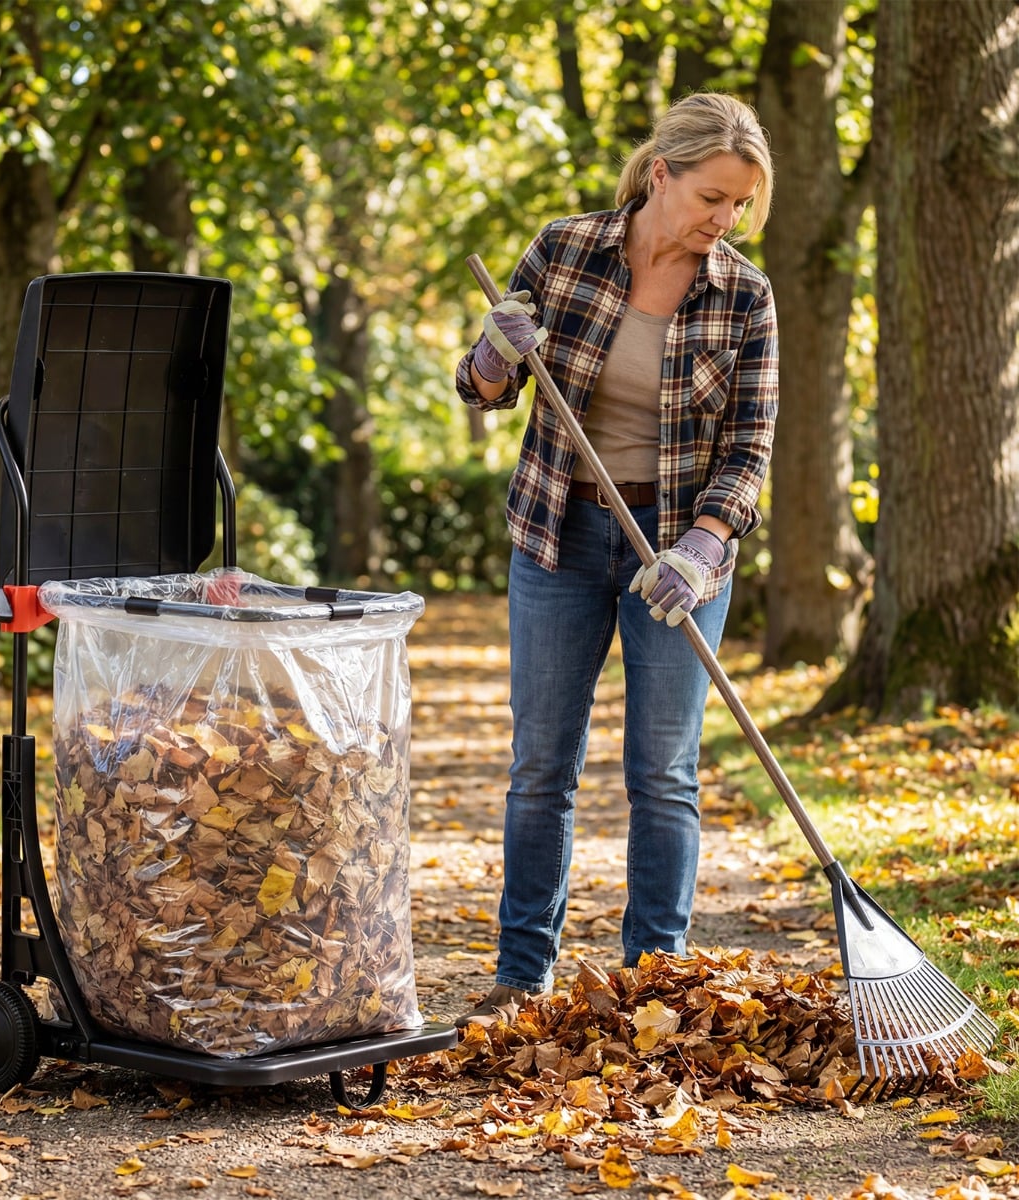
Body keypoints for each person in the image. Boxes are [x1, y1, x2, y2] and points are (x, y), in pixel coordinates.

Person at [454, 92, 778, 1026]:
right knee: (540, 767)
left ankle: (654, 983)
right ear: (662, 174)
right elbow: (488, 391)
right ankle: (523, 977)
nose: (725, 221)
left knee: (664, 771)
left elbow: (749, 452)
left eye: (741, 207)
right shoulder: (565, 250)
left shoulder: (744, 297)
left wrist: (704, 548)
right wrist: (491, 351)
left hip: (674, 554)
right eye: (713, 197)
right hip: (560, 536)